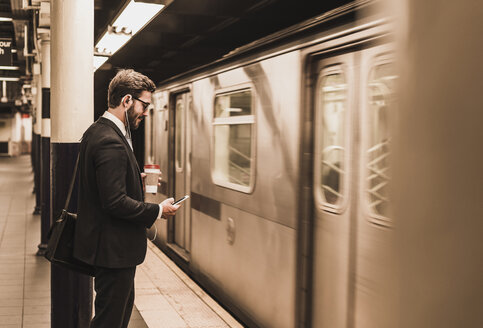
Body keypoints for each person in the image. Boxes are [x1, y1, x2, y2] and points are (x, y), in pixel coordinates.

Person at [73, 69, 179, 328]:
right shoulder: (111, 141)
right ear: (127, 101)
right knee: (111, 320)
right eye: (144, 105)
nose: (146, 112)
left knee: (116, 316)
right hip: (113, 251)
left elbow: (105, 186)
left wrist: (134, 179)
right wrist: (156, 211)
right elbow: (114, 202)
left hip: (108, 248)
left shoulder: (97, 131)